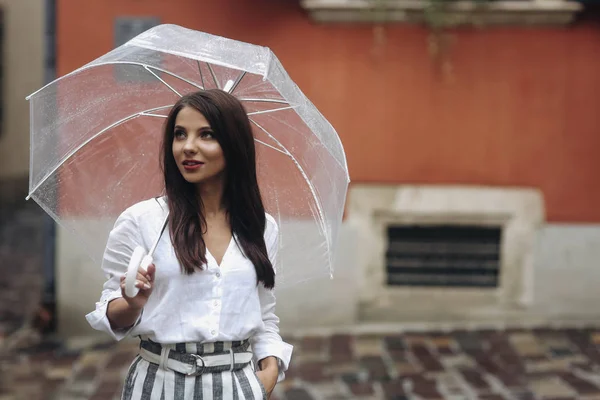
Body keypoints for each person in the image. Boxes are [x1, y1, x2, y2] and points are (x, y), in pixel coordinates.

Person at [86, 89, 293, 400]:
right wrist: (131, 303)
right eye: (180, 134)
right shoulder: (144, 221)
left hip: (238, 386)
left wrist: (271, 366)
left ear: (234, 144)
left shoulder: (261, 228)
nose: (188, 147)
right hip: (159, 385)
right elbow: (109, 311)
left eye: (206, 134)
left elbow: (264, 312)